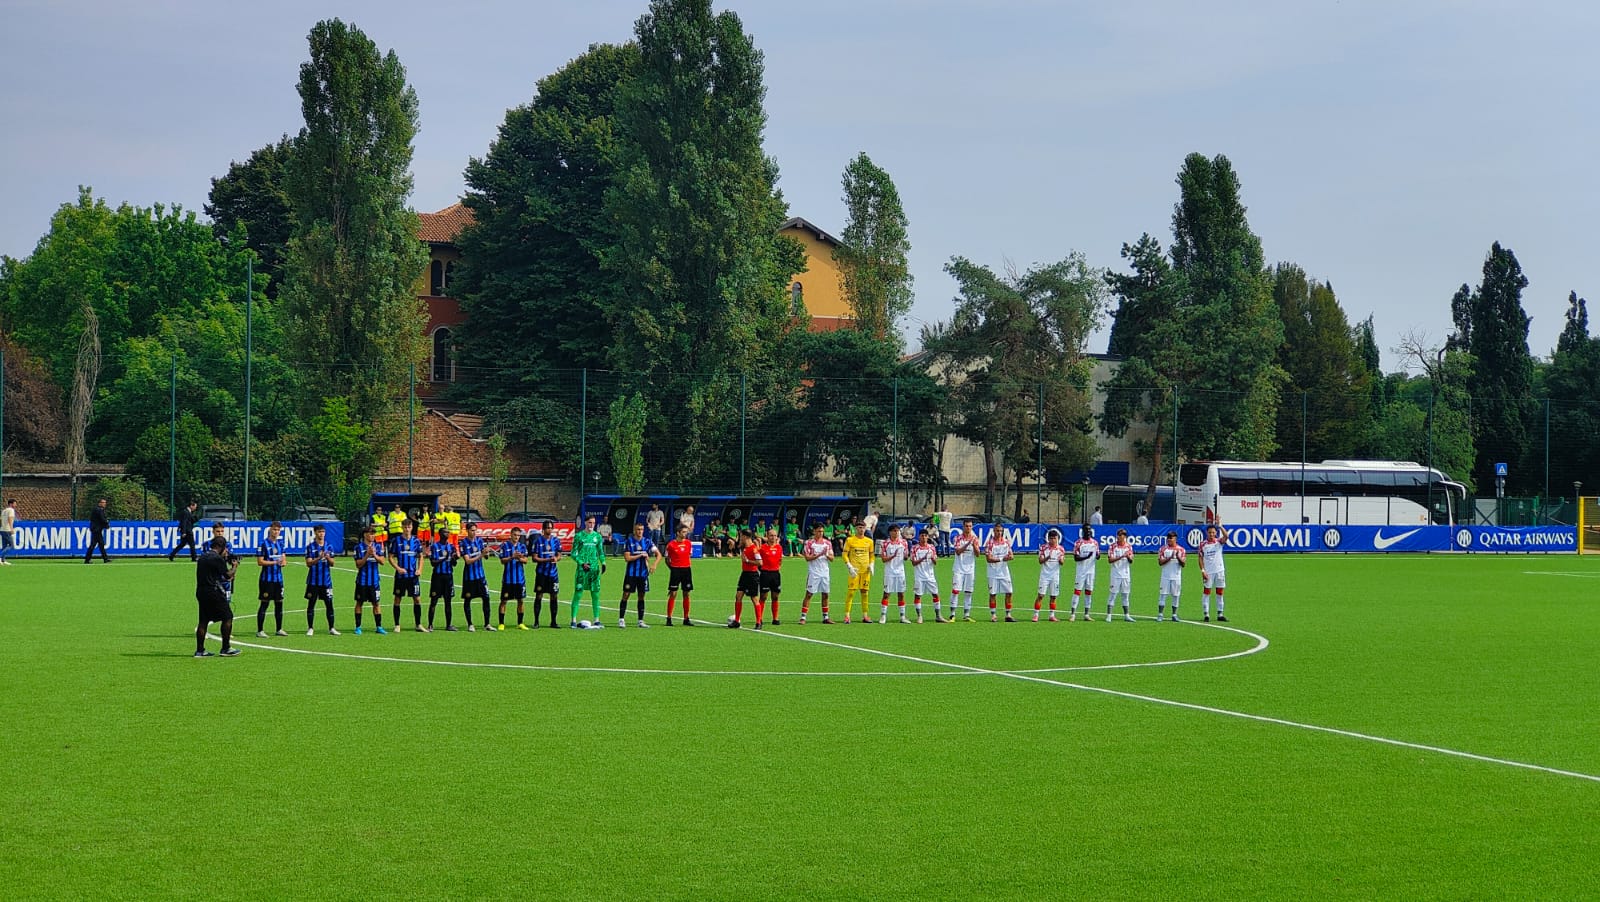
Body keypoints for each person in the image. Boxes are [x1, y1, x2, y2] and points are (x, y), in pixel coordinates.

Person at [194, 537, 240, 657]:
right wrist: (235, 566)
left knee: (203, 621)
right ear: (222, 547)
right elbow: (227, 575)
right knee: (228, 616)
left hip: (201, 591)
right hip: (213, 592)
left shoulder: (203, 557)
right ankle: (226, 648)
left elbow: (214, 574)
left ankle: (200, 650)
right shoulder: (217, 558)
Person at [618, 522, 659, 628]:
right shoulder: (629, 541)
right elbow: (627, 558)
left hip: (643, 575)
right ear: (634, 530)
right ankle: (621, 619)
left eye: (641, 529)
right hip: (631, 574)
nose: (639, 531)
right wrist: (640, 555)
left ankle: (640, 620)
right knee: (626, 595)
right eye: (638, 529)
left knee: (641, 596)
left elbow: (659, 554)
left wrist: (654, 564)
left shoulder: (648, 541)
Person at [389, 518, 425, 632]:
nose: (407, 529)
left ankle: (418, 624)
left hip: (413, 576)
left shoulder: (416, 541)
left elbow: (421, 557)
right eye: (405, 527)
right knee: (397, 599)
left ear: (412, 527)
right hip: (401, 576)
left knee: (417, 599)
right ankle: (397, 625)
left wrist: (419, 569)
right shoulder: (396, 540)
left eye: (409, 527)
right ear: (402, 527)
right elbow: (390, 557)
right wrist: (398, 568)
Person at [254, 521, 289, 637]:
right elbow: (260, 562)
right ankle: (260, 630)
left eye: (278, 530)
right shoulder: (263, 543)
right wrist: (274, 562)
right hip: (266, 579)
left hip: (278, 579)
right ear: (270, 530)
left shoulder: (281, 543)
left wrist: (283, 563)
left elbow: (284, 559)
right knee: (264, 603)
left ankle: (279, 629)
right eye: (274, 529)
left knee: (279, 603)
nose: (276, 532)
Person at [569, 515, 605, 628]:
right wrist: (581, 563)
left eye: (593, 523)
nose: (591, 525)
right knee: (578, 594)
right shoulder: (579, 536)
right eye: (589, 522)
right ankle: (573, 620)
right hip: (582, 570)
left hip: (594, 570)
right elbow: (573, 553)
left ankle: (597, 620)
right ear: (585, 523)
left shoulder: (598, 537)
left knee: (595, 595)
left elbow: (600, 552)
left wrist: (603, 562)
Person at [303, 523, 338, 635]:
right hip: (313, 581)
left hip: (326, 581)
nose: (321, 534)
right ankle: (310, 628)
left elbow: (332, 564)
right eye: (319, 532)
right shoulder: (310, 547)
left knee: (329, 604)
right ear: (315, 533)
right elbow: (308, 563)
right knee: (311, 604)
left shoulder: (329, 546)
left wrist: (327, 557)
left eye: (323, 532)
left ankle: (332, 628)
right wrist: (318, 558)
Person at [839, 522, 876, 624]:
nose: (861, 530)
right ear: (855, 529)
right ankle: (847, 616)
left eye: (863, 528)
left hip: (865, 571)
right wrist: (849, 566)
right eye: (859, 528)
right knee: (851, 592)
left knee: (865, 593)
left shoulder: (869, 541)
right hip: (854, 571)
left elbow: (872, 555)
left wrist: (872, 564)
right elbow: (844, 554)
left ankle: (865, 616)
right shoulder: (850, 540)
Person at [352, 527, 386, 634]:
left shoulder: (378, 546)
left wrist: (374, 554)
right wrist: (367, 554)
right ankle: (358, 627)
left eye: (373, 534)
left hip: (374, 581)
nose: (372, 535)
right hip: (362, 581)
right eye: (370, 533)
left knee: (376, 603)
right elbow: (358, 564)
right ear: (365, 535)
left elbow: (382, 562)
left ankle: (379, 627)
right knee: (359, 603)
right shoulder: (358, 547)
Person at [798, 523, 833, 625]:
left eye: (822, 531)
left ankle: (825, 617)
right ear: (814, 531)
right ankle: (803, 617)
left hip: (825, 572)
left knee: (825, 594)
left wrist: (826, 554)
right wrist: (818, 555)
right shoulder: (809, 543)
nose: (821, 533)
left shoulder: (827, 543)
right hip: (814, 573)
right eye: (818, 531)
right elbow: (807, 558)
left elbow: (832, 558)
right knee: (809, 594)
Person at [530, 520, 562, 628]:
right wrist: (546, 560)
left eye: (551, 528)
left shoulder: (556, 541)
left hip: (553, 574)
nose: (549, 530)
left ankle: (553, 621)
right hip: (541, 574)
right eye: (547, 528)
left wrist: (556, 559)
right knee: (539, 595)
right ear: (543, 529)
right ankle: (536, 622)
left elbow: (559, 555)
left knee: (554, 596)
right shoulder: (538, 541)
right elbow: (534, 558)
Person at [730, 529, 765, 630]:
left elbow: (760, 562)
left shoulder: (753, 549)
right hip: (744, 574)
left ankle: (758, 622)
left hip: (752, 575)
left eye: (741, 536)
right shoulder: (744, 547)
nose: (740, 538)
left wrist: (748, 561)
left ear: (745, 536)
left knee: (754, 599)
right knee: (738, 596)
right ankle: (737, 621)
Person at [497, 526, 529, 630]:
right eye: (515, 535)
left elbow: (526, 560)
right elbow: (502, 561)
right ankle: (501, 623)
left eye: (518, 535)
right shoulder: (505, 545)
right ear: (511, 534)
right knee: (504, 601)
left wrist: (520, 558)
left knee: (520, 600)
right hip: (508, 579)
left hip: (520, 579)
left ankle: (520, 623)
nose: (516, 537)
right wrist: (512, 557)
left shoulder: (522, 546)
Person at [946, 519, 979, 622]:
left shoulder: (975, 538)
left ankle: (966, 615)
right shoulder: (957, 538)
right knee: (956, 591)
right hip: (959, 569)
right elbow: (958, 551)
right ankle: (952, 614)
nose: (968, 528)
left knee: (968, 592)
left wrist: (973, 544)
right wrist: (967, 543)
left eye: (970, 526)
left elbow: (978, 554)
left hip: (970, 569)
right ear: (963, 527)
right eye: (966, 526)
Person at [663, 523, 695, 626]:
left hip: (686, 570)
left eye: (686, 532)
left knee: (686, 593)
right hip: (675, 570)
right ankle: (669, 618)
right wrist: (672, 568)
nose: (685, 534)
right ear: (678, 533)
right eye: (684, 532)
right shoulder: (671, 545)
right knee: (673, 593)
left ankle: (686, 618)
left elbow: (689, 555)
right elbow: (667, 559)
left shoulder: (689, 543)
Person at [459, 522, 489, 631]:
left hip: (480, 576)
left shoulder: (480, 541)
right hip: (469, 577)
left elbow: (485, 557)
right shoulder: (463, 543)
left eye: (475, 530)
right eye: (472, 530)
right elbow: (467, 561)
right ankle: (470, 624)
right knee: (468, 600)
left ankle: (487, 624)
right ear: (467, 531)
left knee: (486, 598)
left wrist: (486, 553)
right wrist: (481, 555)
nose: (474, 532)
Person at [426, 529, 458, 631]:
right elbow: (433, 563)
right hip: (437, 577)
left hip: (448, 577)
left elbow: (454, 564)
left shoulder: (451, 546)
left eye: (448, 532)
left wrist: (453, 558)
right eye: (445, 532)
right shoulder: (434, 546)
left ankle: (448, 625)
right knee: (434, 601)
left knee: (448, 601)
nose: (447, 534)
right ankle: (430, 625)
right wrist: (445, 558)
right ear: (440, 534)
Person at [878, 524, 910, 624]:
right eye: (894, 531)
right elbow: (883, 559)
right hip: (889, 572)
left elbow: (906, 557)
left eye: (897, 531)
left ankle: (902, 616)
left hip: (900, 572)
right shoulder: (885, 543)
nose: (896, 532)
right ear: (890, 532)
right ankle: (883, 616)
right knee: (886, 593)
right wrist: (893, 556)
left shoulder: (904, 542)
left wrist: (906, 556)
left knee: (901, 594)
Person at [1034, 528, 1067, 622]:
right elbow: (1040, 561)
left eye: (1054, 538)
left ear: (1057, 539)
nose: (1053, 540)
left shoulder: (1060, 549)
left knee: (1053, 596)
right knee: (1041, 595)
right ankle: (1036, 614)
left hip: (1055, 575)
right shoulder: (1043, 548)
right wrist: (1047, 558)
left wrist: (1061, 561)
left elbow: (1062, 562)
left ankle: (1052, 615)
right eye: (1051, 538)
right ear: (1048, 539)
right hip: (1045, 575)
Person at [984, 526, 1016, 622]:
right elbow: (988, 559)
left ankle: (1008, 614)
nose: (999, 533)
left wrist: (1010, 557)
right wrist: (1002, 559)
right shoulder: (990, 543)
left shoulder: (1006, 542)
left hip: (1004, 571)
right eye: (997, 531)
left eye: (1001, 531)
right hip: (992, 572)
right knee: (993, 593)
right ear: (993, 531)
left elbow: (1011, 555)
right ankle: (993, 615)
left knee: (1009, 592)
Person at [1200, 523, 1230, 622]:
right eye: (1209, 533)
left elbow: (1226, 536)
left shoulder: (1219, 542)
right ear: (1207, 533)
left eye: (1213, 532)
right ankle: (1206, 614)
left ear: (1216, 533)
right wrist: (1203, 570)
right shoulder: (1203, 544)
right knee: (1207, 592)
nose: (1211, 534)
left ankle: (1220, 614)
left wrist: (1220, 526)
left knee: (1220, 592)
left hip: (1220, 571)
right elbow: (1200, 558)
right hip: (1209, 572)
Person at [910, 528, 941, 623]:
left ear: (928, 537)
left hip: (930, 576)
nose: (923, 537)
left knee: (935, 594)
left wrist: (932, 558)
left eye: (925, 536)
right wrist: (923, 558)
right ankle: (919, 616)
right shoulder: (914, 548)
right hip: (919, 575)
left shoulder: (931, 547)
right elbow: (913, 563)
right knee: (918, 595)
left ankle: (938, 616)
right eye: (922, 536)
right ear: (919, 537)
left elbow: (935, 562)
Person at [1068, 525, 1099, 622]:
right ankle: (1073, 614)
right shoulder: (1078, 543)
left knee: (1089, 592)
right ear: (1083, 531)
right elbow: (1076, 558)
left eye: (1090, 530)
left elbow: (1097, 555)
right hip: (1081, 571)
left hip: (1091, 571)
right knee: (1077, 591)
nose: (1088, 531)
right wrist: (1087, 556)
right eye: (1087, 530)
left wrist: (1097, 555)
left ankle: (1087, 614)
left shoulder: (1095, 543)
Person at [1106, 529, 1136, 622]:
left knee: (1125, 595)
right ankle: (1109, 615)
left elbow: (1131, 561)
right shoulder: (1112, 547)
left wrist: (1128, 557)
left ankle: (1126, 615)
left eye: (1120, 535)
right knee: (1113, 594)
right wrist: (1121, 556)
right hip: (1115, 574)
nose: (1118, 537)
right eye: (1118, 535)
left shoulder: (1129, 547)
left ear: (1124, 536)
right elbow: (1110, 560)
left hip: (1126, 575)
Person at [1156, 531, 1186, 622]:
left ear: (1175, 539)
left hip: (1176, 577)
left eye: (1171, 538)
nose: (1169, 539)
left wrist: (1178, 557)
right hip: (1165, 576)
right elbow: (1160, 563)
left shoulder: (1181, 550)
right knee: (1163, 595)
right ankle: (1160, 614)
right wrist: (1170, 557)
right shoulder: (1163, 549)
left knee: (1176, 595)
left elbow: (1183, 564)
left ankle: (1174, 614)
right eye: (1168, 537)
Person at [759, 527, 784, 625]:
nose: (773, 537)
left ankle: (775, 618)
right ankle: (759, 618)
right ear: (767, 536)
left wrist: (777, 568)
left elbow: (780, 560)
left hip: (776, 574)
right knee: (763, 597)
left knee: (775, 597)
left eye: (775, 535)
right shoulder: (762, 548)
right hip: (765, 574)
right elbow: (758, 561)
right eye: (771, 535)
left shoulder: (779, 548)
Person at [84, 497, 111, 563]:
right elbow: (102, 519)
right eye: (103, 502)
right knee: (94, 545)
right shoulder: (99, 510)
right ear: (99, 503)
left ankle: (105, 559)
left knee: (100, 544)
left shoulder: (98, 509)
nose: (105, 504)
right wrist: (107, 523)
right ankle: (88, 559)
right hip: (97, 530)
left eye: (105, 503)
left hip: (96, 529)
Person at [0, 497, 15, 565]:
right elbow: (10, 519)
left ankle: (3, 560)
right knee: (11, 545)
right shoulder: (11, 510)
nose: (15, 505)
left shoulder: (4, 510)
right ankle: (0, 557)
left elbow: (0, 519)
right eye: (14, 504)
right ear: (11, 504)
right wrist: (11, 528)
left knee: (4, 546)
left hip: (2, 529)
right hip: (7, 529)